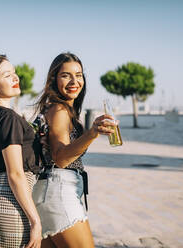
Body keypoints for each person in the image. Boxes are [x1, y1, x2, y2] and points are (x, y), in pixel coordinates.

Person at [32, 52, 116, 248]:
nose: (74, 81)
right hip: (58, 193)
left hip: (48, 193)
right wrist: (92, 133)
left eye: (78, 75)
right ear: (54, 79)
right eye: (66, 75)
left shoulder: (58, 109)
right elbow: (60, 157)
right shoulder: (60, 110)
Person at [0, 54, 42, 248]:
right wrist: (35, 220)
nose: (15, 78)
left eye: (14, 72)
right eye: (7, 75)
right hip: (9, 204)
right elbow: (16, 174)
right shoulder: (7, 117)